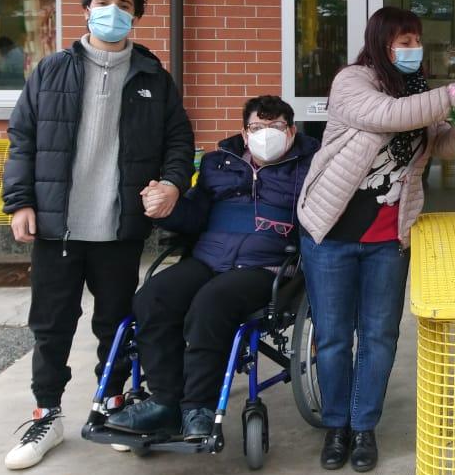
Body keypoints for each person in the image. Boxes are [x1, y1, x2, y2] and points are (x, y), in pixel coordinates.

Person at [1, 0, 194, 470]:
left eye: (124, 3)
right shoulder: (52, 70)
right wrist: (20, 201)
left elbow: (179, 143)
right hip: (56, 226)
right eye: (104, 0)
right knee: (52, 324)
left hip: (118, 227)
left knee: (115, 322)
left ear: (136, 15)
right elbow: (23, 139)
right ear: (86, 9)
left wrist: (173, 184)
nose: (113, 9)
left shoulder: (154, 77)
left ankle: (112, 402)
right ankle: (48, 414)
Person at [297, 6, 455, 473]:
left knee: (380, 337)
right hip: (331, 234)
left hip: (387, 239)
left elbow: (437, 145)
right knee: (335, 337)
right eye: (403, 41)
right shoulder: (352, 83)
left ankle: (364, 427)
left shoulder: (419, 91)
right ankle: (335, 425)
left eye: (415, 40)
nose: (412, 49)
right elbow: (389, 116)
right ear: (381, 43)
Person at [104, 95, 318, 440]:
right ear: (245, 134)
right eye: (257, 127)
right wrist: (167, 207)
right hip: (207, 259)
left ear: (291, 132)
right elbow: (193, 215)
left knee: (211, 303)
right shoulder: (218, 164)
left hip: (266, 266)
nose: (266, 133)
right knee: (152, 297)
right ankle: (164, 402)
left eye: (276, 126)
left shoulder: (310, 168)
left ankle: (198, 408)